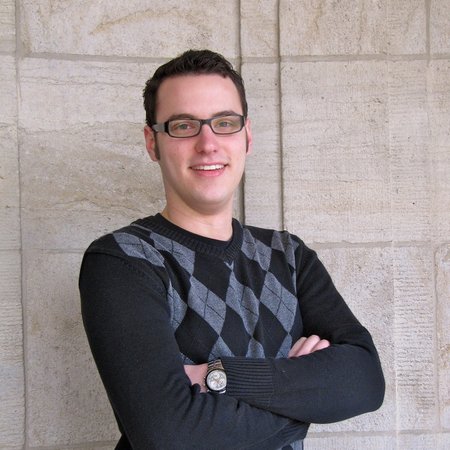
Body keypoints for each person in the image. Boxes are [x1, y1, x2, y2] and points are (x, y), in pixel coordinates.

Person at [79, 49, 385, 450]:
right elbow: (168, 435)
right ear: (153, 143)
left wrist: (219, 376)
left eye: (225, 123)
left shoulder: (289, 256)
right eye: (184, 125)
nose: (208, 144)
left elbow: (365, 381)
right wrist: (308, 395)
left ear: (247, 136)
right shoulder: (124, 261)